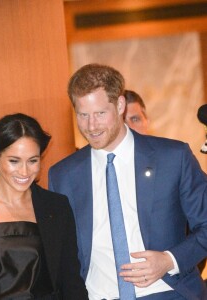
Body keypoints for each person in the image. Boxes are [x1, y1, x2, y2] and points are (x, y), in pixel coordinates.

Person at [48, 64, 207, 299]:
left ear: (120, 105)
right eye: (83, 115)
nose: (91, 126)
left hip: (166, 292)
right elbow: (60, 254)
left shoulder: (173, 157)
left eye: (100, 113)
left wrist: (168, 260)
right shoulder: (63, 175)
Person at [0, 113, 88, 300]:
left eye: (33, 160)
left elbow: (71, 279)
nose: (24, 171)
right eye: (14, 161)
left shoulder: (57, 207)